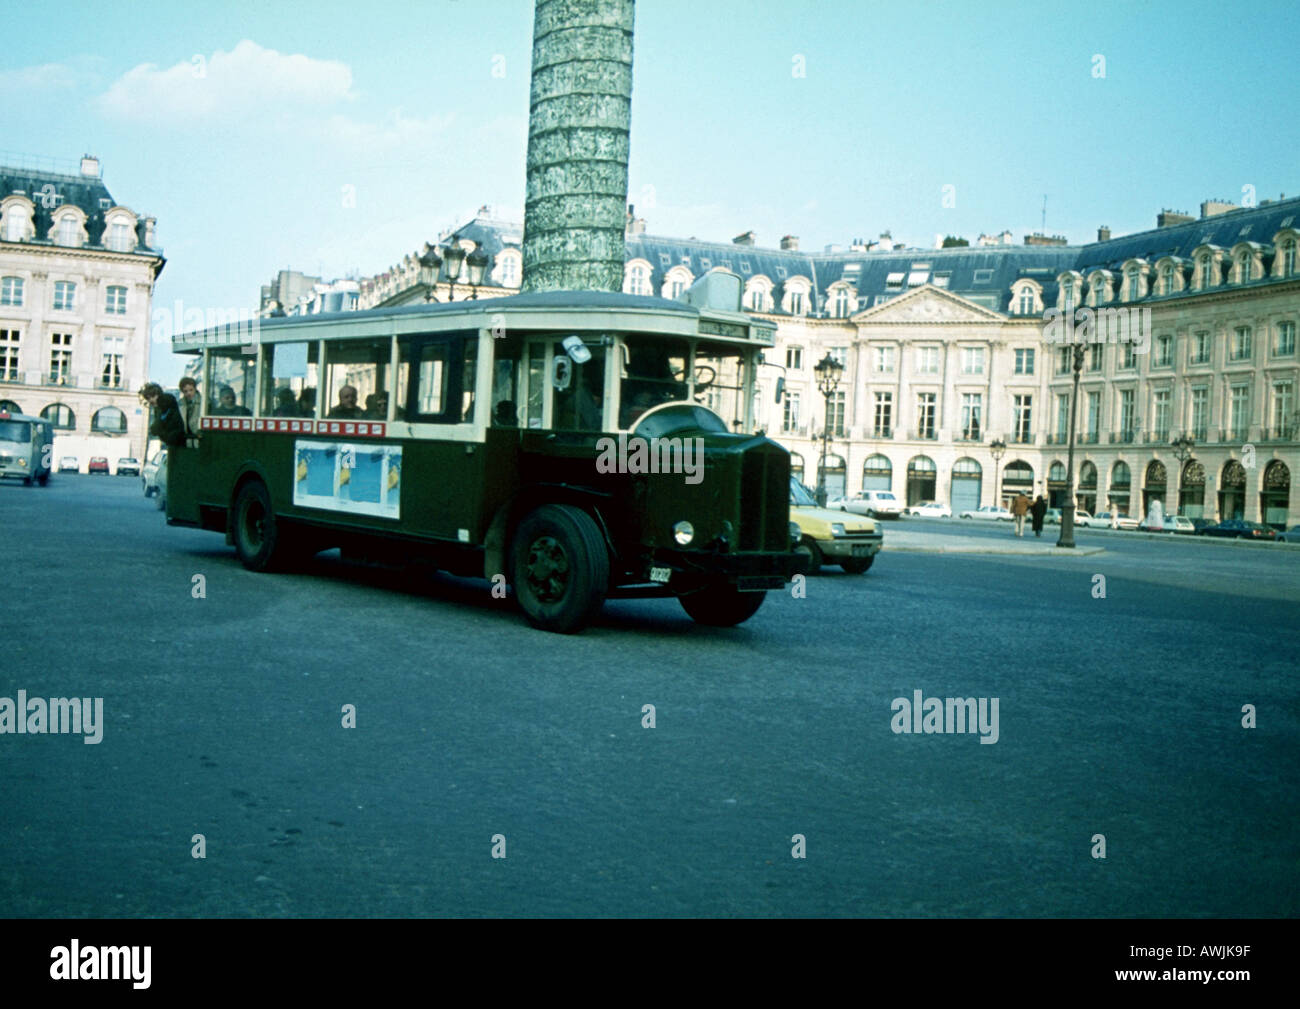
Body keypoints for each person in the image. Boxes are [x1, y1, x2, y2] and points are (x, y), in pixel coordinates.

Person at [141, 382, 186, 449]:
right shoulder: (163, 406)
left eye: (152, 397)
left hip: (176, 441)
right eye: (148, 398)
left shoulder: (163, 407)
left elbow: (157, 426)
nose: (151, 400)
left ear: (158, 395)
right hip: (174, 440)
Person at [177, 376, 201, 442]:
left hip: (199, 436)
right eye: (185, 391)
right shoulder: (180, 403)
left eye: (191, 390)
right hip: (186, 437)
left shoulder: (203, 402)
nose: (188, 393)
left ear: (195, 389)